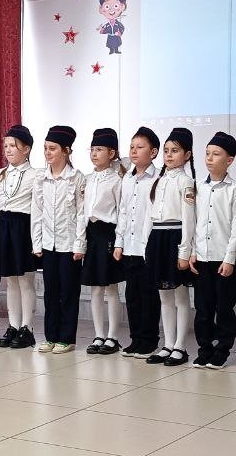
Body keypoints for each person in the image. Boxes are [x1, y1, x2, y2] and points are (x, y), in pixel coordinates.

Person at [0, 124, 40, 349]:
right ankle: (13, 325)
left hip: (23, 228)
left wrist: (37, 239)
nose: (8, 150)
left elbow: (38, 209)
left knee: (25, 279)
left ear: (26, 149)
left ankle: (27, 327)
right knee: (10, 280)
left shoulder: (36, 175)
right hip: (3, 227)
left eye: (13, 146)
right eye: (5, 146)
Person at [189, 132, 236, 369]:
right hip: (201, 257)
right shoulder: (198, 188)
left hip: (223, 259)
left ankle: (222, 349)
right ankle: (204, 348)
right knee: (202, 308)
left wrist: (230, 258)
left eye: (216, 154)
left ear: (229, 160)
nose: (209, 158)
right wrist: (192, 251)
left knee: (224, 307)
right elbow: (193, 222)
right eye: (207, 154)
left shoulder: (235, 190)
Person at [144, 127, 197, 368]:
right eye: (166, 150)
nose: (169, 155)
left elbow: (189, 218)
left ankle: (180, 347)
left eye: (175, 151)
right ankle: (168, 344)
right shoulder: (159, 180)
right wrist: (147, 245)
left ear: (187, 155)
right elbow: (150, 216)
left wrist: (184, 251)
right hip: (158, 238)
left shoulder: (186, 182)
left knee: (180, 295)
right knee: (164, 296)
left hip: (175, 237)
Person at [32, 125, 84, 354]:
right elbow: (37, 212)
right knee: (50, 292)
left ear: (66, 150)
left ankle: (67, 338)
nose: (47, 152)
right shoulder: (41, 178)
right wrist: (37, 243)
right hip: (48, 244)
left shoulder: (76, 178)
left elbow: (81, 214)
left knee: (68, 292)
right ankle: (50, 336)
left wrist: (80, 244)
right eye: (45, 148)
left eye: (52, 148)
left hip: (69, 245)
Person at [113, 127, 162, 358]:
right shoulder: (127, 179)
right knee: (132, 295)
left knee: (149, 295)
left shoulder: (159, 178)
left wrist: (148, 245)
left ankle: (149, 341)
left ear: (153, 152)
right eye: (132, 147)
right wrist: (119, 242)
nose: (134, 151)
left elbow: (155, 214)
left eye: (140, 147)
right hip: (129, 247)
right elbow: (123, 212)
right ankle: (136, 339)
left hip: (148, 247)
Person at [75, 128, 124, 355]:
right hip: (92, 234)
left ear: (111, 153)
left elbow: (121, 212)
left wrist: (119, 242)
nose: (94, 154)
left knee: (111, 287)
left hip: (109, 234)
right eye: (92, 149)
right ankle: (98, 335)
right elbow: (82, 212)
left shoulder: (117, 180)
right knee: (95, 288)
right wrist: (81, 242)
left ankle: (113, 336)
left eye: (100, 149)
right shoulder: (87, 179)